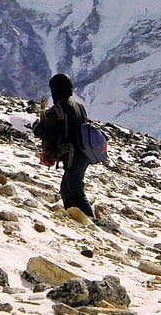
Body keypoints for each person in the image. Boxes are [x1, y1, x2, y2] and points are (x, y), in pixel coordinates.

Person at [39, 73, 94, 221]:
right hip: (84, 152)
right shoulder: (78, 104)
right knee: (66, 189)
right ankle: (75, 218)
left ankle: (90, 223)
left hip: (74, 154)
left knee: (74, 191)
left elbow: (52, 132)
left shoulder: (60, 108)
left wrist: (41, 129)